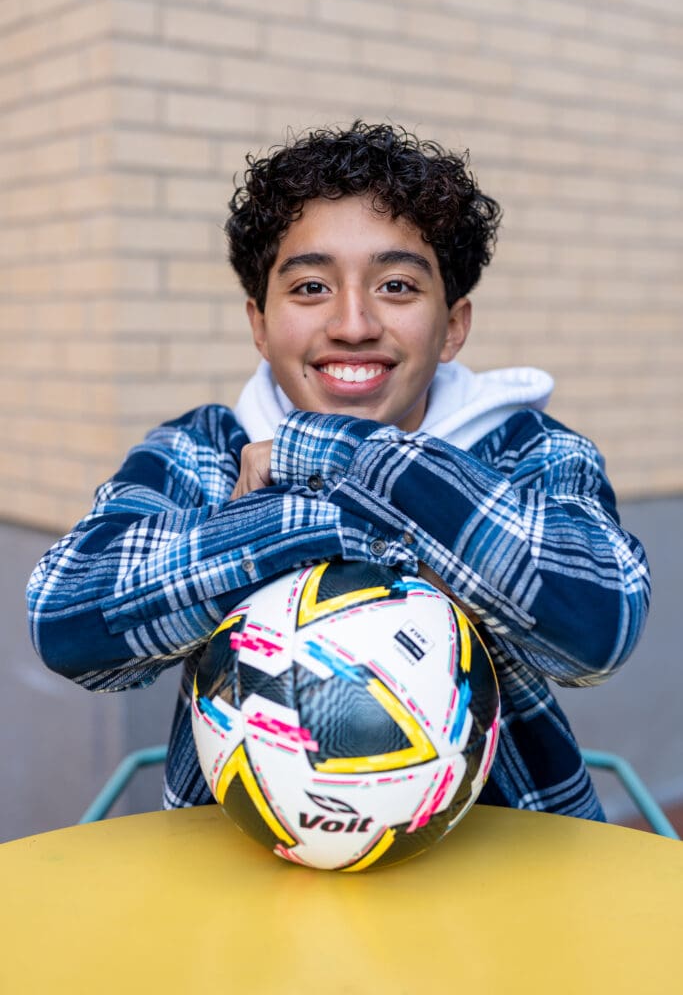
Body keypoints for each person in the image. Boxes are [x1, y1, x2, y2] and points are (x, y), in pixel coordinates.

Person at [27, 122, 650, 819]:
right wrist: (330, 518)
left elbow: (598, 626)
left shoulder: (527, 449)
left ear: (452, 325)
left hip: (505, 864)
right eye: (311, 287)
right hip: (244, 877)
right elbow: (68, 619)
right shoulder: (204, 449)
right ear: (259, 323)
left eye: (395, 284)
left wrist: (328, 458)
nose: (352, 323)